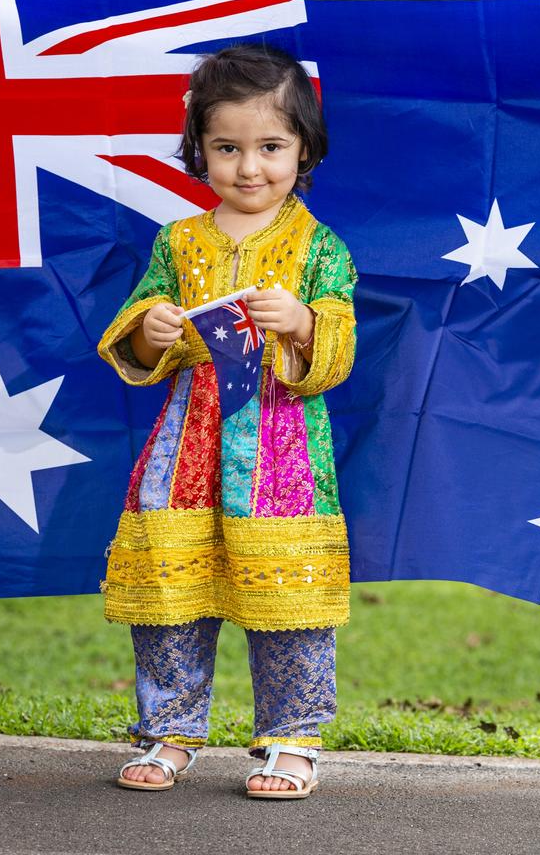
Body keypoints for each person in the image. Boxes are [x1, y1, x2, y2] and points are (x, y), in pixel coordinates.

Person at [97, 42, 359, 798]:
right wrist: (154, 326)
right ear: (199, 149)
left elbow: (338, 348)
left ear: (304, 147)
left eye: (271, 146)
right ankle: (168, 731)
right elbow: (138, 325)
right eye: (227, 148)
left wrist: (305, 323)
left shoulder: (319, 248)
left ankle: (292, 738)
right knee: (175, 593)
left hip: (283, 454)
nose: (250, 168)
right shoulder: (178, 242)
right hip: (185, 446)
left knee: (287, 596)